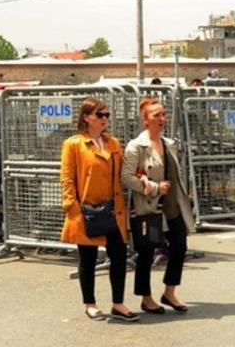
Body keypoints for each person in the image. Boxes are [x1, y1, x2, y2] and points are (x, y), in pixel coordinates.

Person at [60, 98, 138, 322]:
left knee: (119, 256)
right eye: (100, 115)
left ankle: (118, 303)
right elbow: (67, 179)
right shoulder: (73, 144)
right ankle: (90, 303)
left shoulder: (112, 143)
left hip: (113, 209)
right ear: (86, 117)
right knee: (88, 257)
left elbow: (124, 172)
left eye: (107, 115)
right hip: (87, 209)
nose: (105, 119)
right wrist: (72, 208)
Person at [122, 98, 196, 315]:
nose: (162, 119)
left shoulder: (169, 144)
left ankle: (169, 292)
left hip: (173, 208)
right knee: (146, 253)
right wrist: (154, 187)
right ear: (145, 120)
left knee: (179, 248)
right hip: (149, 208)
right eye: (156, 115)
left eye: (163, 114)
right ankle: (146, 298)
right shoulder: (136, 146)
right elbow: (126, 177)